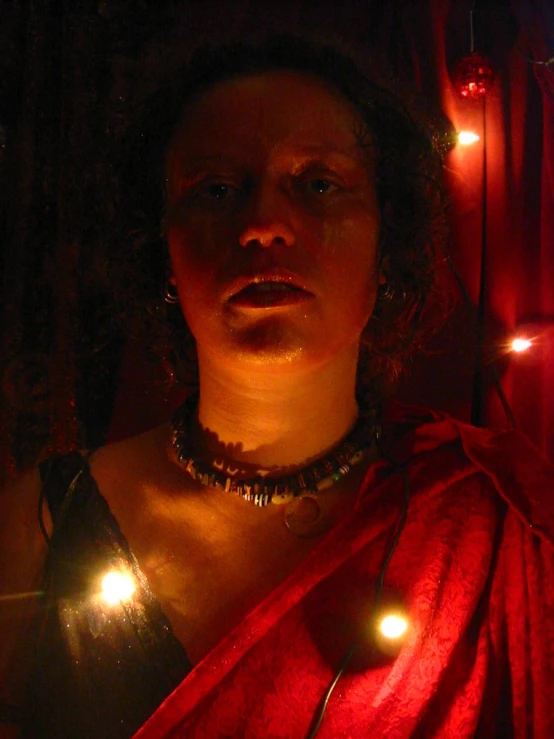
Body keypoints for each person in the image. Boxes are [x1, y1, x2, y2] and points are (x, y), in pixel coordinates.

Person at [1, 34, 553, 739]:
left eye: (319, 184)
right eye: (217, 190)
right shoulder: (36, 532)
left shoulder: (497, 518)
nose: (263, 225)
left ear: (388, 244)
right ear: (162, 249)